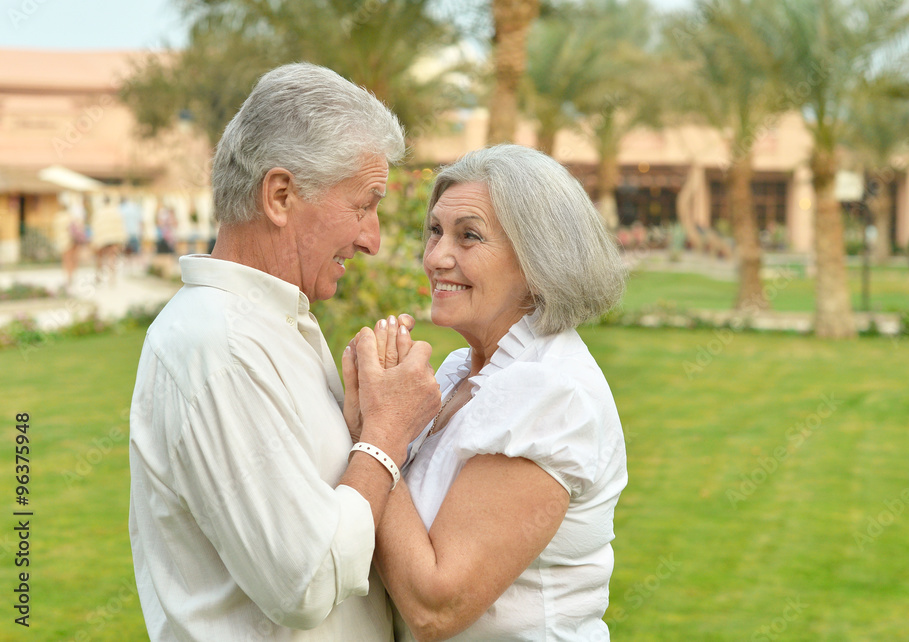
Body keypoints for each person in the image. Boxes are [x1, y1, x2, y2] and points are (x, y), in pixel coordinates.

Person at [128, 63, 441, 641]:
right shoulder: (220, 347)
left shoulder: (269, 327)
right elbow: (307, 581)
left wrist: (362, 423)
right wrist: (387, 435)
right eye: (364, 204)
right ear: (280, 195)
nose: (372, 238)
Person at [349, 144, 630, 640]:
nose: (436, 257)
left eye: (469, 237)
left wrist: (376, 432)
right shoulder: (465, 371)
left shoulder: (550, 395)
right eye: (435, 231)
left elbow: (437, 605)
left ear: (538, 261)